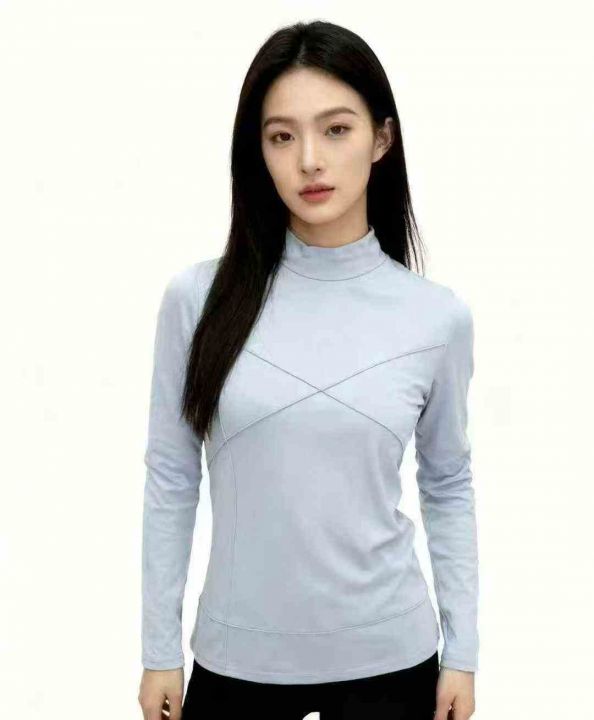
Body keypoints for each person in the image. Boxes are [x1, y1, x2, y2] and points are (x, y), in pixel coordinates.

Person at [138, 19, 478, 720]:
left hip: (394, 659)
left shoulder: (434, 317)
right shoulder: (197, 301)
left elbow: (447, 484)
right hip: (237, 661)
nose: (310, 161)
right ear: (257, 151)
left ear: (381, 139)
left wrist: (463, 653)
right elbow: (171, 478)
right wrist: (159, 649)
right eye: (281, 136)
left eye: (336, 129)